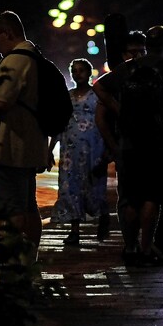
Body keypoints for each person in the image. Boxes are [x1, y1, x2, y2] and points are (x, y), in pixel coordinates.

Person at [100, 25, 163, 265]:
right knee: (152, 198)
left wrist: (121, 112)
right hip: (159, 145)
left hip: (130, 144)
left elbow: (99, 86)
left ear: (147, 46)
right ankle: (146, 249)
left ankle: (129, 248)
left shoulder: (130, 67)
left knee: (131, 198)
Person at [0, 10, 51, 262]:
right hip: (23, 145)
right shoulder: (33, 57)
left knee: (12, 210)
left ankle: (13, 267)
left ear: (7, 33)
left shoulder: (15, 61)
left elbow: (2, 102)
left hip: (8, 147)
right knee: (28, 206)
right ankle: (29, 264)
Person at [94, 30, 148, 253]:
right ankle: (131, 244)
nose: (135, 57)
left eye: (140, 52)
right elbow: (101, 116)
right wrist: (114, 147)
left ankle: (142, 244)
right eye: (131, 52)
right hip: (126, 147)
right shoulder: (120, 76)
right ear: (123, 54)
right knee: (129, 197)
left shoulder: (150, 73)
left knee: (147, 198)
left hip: (149, 147)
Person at [49, 58, 110, 246]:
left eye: (81, 70)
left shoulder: (98, 96)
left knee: (94, 186)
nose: (78, 74)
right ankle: (74, 231)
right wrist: (50, 149)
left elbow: (107, 122)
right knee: (70, 188)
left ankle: (103, 216)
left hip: (93, 148)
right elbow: (58, 123)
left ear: (89, 72)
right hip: (70, 152)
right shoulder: (67, 97)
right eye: (74, 71)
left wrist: (108, 150)